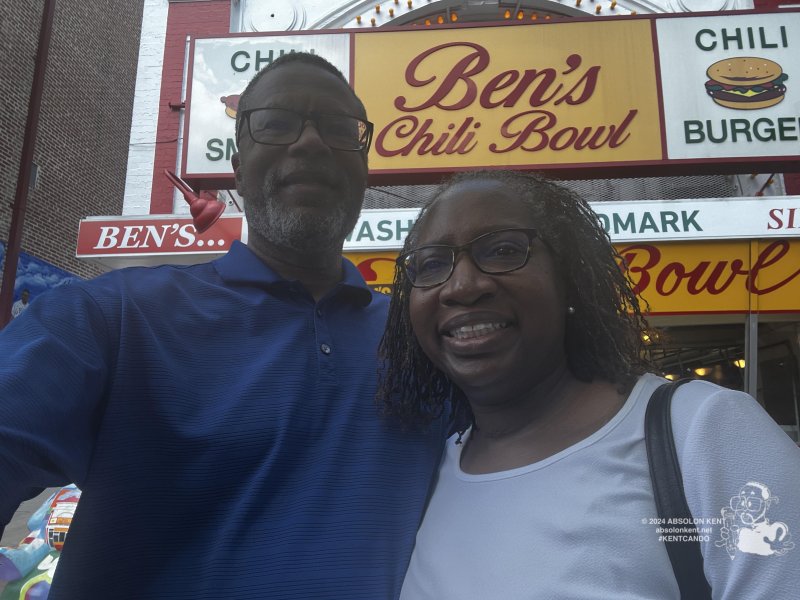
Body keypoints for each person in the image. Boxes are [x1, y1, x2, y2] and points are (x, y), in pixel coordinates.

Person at [0, 52, 445, 599]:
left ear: (364, 167)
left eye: (338, 128)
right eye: (276, 124)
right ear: (237, 165)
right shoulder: (109, 319)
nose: (310, 143)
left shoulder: (426, 340)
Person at [377, 170, 800, 599]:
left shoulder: (705, 431)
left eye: (503, 250)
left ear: (569, 280)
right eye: (431, 264)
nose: (463, 285)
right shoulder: (432, 470)